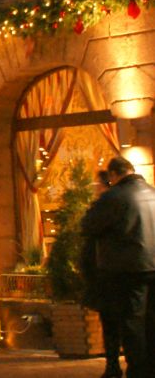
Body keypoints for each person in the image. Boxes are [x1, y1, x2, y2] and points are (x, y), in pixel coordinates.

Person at [82, 155, 155, 378]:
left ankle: (139, 370)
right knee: (150, 321)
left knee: (132, 322)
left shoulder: (114, 197)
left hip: (127, 269)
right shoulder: (152, 193)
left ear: (113, 174)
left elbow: (88, 225)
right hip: (152, 266)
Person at [82, 169, 122, 378]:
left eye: (97, 185)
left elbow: (87, 227)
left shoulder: (107, 205)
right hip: (109, 274)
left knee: (113, 324)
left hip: (110, 275)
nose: (95, 189)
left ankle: (114, 365)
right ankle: (114, 364)